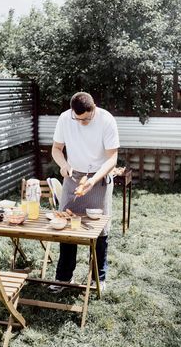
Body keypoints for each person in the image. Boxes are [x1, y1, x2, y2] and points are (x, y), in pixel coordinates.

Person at [49, 92, 120, 293]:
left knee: (99, 230)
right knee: (66, 227)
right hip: (73, 176)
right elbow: (56, 149)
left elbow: (112, 158)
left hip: (99, 176)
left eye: (86, 118)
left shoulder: (106, 120)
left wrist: (93, 180)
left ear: (93, 108)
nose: (82, 122)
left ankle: (99, 278)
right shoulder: (65, 118)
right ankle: (63, 278)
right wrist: (63, 165)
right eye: (77, 118)